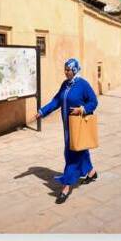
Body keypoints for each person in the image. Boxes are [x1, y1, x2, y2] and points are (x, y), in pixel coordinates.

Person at [33, 58, 98, 204]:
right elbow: (56, 101)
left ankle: (66, 186)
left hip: (78, 125)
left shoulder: (83, 85)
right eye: (65, 69)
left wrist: (82, 109)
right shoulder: (65, 85)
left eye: (68, 70)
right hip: (67, 127)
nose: (66, 72)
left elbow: (94, 101)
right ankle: (91, 172)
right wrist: (42, 111)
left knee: (71, 153)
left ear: (75, 70)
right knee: (80, 149)